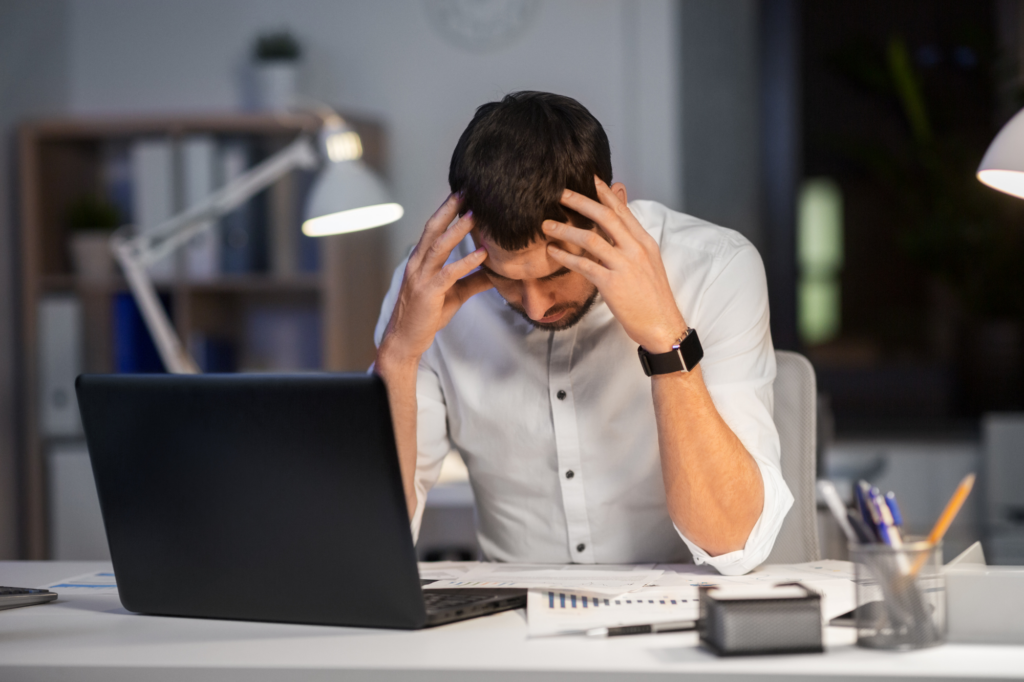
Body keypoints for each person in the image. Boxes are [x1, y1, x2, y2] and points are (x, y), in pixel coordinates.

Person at [373, 91, 792, 575]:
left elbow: (734, 542)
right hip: (509, 621)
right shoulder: (426, 290)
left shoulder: (715, 269)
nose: (534, 304)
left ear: (612, 210)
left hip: (676, 617)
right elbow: (375, 538)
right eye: (505, 277)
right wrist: (399, 356)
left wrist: (665, 338)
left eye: (556, 273)